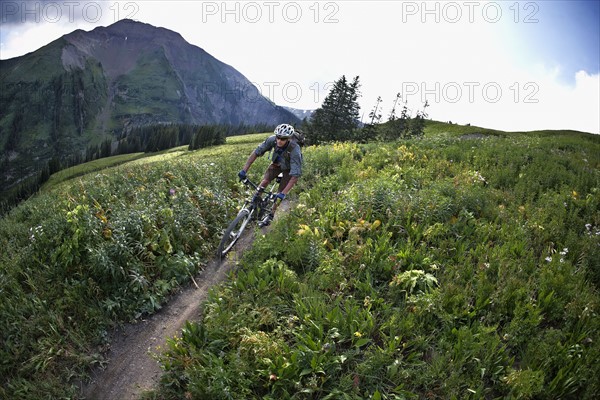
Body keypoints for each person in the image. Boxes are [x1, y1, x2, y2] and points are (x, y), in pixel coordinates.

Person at [238, 124, 303, 226]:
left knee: (279, 193)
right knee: (265, 181)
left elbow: (295, 175)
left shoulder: (295, 149)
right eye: (278, 137)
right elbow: (256, 153)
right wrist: (244, 171)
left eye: (283, 139)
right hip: (276, 164)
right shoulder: (272, 140)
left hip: (289, 169)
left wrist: (283, 194)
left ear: (288, 139)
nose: (279, 141)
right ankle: (254, 202)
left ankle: (271, 215)